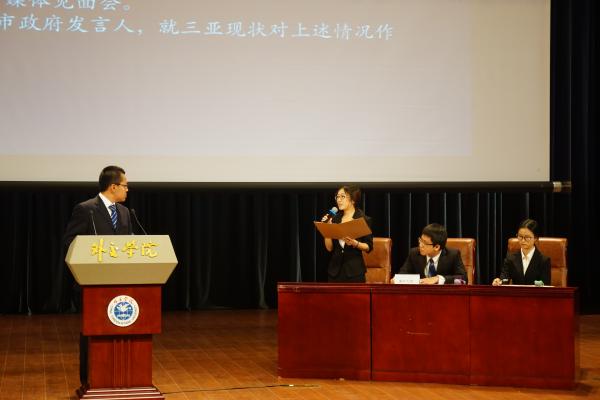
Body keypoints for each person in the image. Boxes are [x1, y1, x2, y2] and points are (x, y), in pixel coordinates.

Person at [62, 165, 133, 386]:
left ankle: (118, 378)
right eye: (125, 186)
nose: (127, 190)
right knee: (93, 333)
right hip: (92, 285)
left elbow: (130, 244)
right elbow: (69, 242)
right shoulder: (86, 210)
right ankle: (90, 381)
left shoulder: (125, 212)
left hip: (120, 284)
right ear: (113, 186)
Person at [322, 185, 373, 283]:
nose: (339, 200)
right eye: (337, 197)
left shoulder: (362, 219)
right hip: (335, 271)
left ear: (353, 200)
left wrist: (355, 243)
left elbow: (369, 247)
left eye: (342, 196)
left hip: (355, 272)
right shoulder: (335, 219)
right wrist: (327, 229)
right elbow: (329, 248)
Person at [397, 223, 466, 284]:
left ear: (436, 247)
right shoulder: (414, 253)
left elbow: (463, 279)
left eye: (424, 243)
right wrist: (397, 279)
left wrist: (438, 279)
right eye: (420, 240)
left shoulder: (453, 255)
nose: (420, 245)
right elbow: (402, 274)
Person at [492, 219, 551, 286]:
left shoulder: (543, 260)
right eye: (520, 236)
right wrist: (499, 282)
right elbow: (504, 279)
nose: (523, 240)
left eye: (527, 237)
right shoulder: (510, 258)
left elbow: (545, 285)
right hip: (516, 293)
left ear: (535, 238)